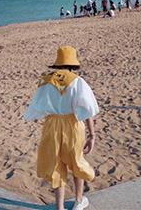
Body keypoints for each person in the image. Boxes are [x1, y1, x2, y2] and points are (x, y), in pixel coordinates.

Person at [24, 46, 99, 210]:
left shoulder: (45, 80)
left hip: (51, 126)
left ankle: (60, 207)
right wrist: (92, 135)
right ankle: (79, 200)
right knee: (76, 161)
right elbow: (87, 110)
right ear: (73, 64)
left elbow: (37, 106)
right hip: (72, 124)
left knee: (55, 164)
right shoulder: (77, 81)